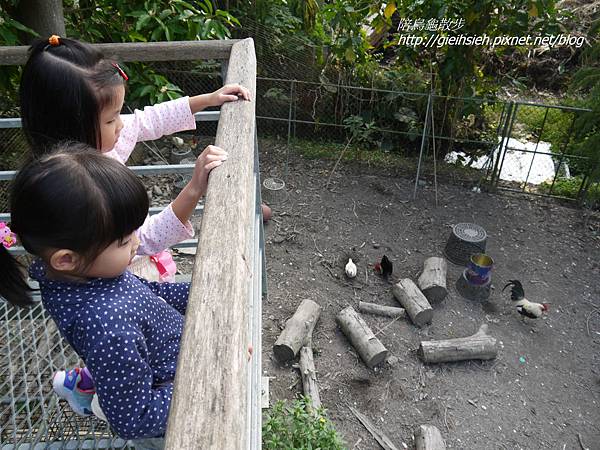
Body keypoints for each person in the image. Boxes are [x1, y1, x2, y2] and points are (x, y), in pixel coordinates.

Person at [18, 35, 250, 419]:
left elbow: (143, 122)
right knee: (123, 349)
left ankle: (90, 382)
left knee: (120, 351)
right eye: (111, 119)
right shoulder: (101, 261)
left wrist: (204, 101)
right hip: (146, 354)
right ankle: (100, 387)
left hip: (121, 291)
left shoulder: (73, 202)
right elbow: (142, 245)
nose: (123, 125)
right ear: (74, 125)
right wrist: (208, 380)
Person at [0, 144, 211, 446]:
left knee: (113, 369)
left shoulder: (86, 275)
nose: (137, 243)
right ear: (66, 258)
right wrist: (203, 377)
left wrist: (200, 295)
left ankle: (86, 383)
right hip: (174, 412)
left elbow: (145, 293)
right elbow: (135, 419)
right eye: (124, 240)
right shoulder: (107, 327)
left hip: (161, 358)